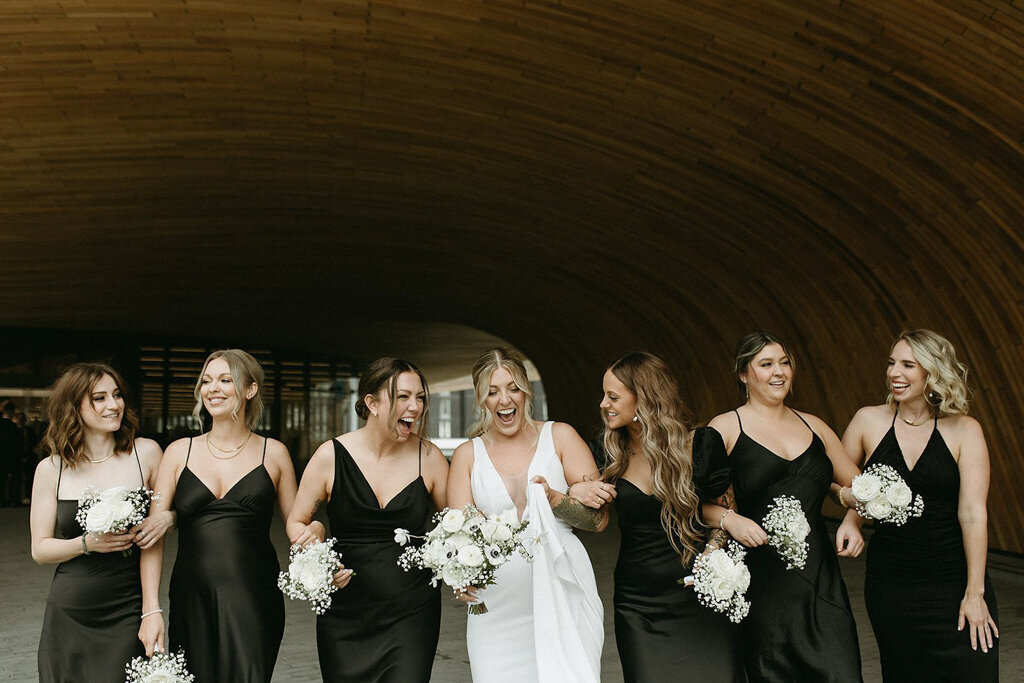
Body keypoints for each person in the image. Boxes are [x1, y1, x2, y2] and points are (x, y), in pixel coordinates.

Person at [702, 332, 864, 682]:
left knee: (842, 672)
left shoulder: (815, 425)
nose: (779, 372)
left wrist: (851, 515)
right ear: (743, 375)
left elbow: (862, 488)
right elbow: (697, 507)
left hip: (821, 582)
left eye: (784, 362)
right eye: (766, 364)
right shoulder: (725, 428)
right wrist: (732, 520)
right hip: (763, 587)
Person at [841, 330, 998, 680]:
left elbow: (972, 514)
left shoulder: (965, 430)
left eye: (908, 365)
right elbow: (832, 475)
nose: (894, 373)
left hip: (953, 580)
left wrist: (975, 593)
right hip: (891, 584)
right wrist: (851, 514)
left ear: (932, 372)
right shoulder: (868, 420)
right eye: (892, 363)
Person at [446, 347, 605, 683]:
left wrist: (553, 497)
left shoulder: (560, 437)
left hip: (564, 596)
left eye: (513, 387)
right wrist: (459, 575)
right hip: (495, 611)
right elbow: (457, 537)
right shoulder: (466, 455)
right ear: (480, 399)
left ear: (527, 391)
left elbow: (599, 521)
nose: (505, 399)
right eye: (492, 391)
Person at [285, 358, 449, 682]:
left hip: (412, 613)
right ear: (371, 403)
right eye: (403, 397)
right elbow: (296, 522)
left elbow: (456, 524)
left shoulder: (429, 458)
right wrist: (317, 553)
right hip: (345, 615)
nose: (414, 407)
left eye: (420, 397)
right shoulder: (330, 456)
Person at [139, 349, 298, 682]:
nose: (213, 388)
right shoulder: (179, 452)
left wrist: (319, 538)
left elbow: (298, 527)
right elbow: (151, 538)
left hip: (255, 597)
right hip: (191, 597)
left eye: (226, 380)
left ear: (250, 389)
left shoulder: (274, 453)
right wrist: (150, 609)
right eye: (207, 381)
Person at [591, 352, 745, 681]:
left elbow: (727, 510)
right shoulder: (607, 451)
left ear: (643, 399)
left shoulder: (700, 445)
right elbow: (588, 511)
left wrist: (713, 553)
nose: (604, 404)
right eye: (604, 395)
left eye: (613, 396)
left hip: (698, 590)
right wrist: (569, 493)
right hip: (638, 603)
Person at [30, 363, 167, 682]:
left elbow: (155, 540)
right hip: (70, 608)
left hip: (128, 607)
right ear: (74, 407)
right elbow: (39, 549)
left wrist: (152, 609)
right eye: (100, 398)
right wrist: (85, 543)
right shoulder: (51, 469)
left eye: (117, 395)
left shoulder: (145, 454)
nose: (114, 405)